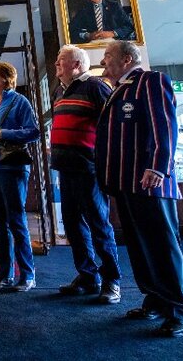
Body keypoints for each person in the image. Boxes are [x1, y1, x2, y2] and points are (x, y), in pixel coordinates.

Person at [95, 41, 183, 337]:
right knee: (140, 247)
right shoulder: (119, 89)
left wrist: (158, 167)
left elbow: (164, 125)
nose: (103, 60)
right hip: (125, 183)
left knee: (162, 247)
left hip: (149, 181)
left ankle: (178, 310)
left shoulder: (150, 81)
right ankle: (154, 299)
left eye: (108, 56)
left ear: (127, 58)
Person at [51, 45, 122, 303]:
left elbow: (112, 125)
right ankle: (88, 276)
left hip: (88, 169)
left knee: (98, 224)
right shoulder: (60, 89)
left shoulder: (95, 86)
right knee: (72, 224)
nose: (57, 64)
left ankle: (112, 281)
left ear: (77, 65)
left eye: (62, 60)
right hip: (66, 169)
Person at [0, 62, 40, 292]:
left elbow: (33, 132)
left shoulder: (19, 101)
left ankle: (28, 274)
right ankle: (5, 274)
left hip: (11, 168)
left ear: (4, 79)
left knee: (16, 221)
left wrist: (5, 133)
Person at [69, 0, 134, 43]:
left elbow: (129, 26)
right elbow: (73, 29)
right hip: (93, 42)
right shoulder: (83, 9)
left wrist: (112, 33)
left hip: (114, 41)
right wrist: (88, 35)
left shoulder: (114, 6)